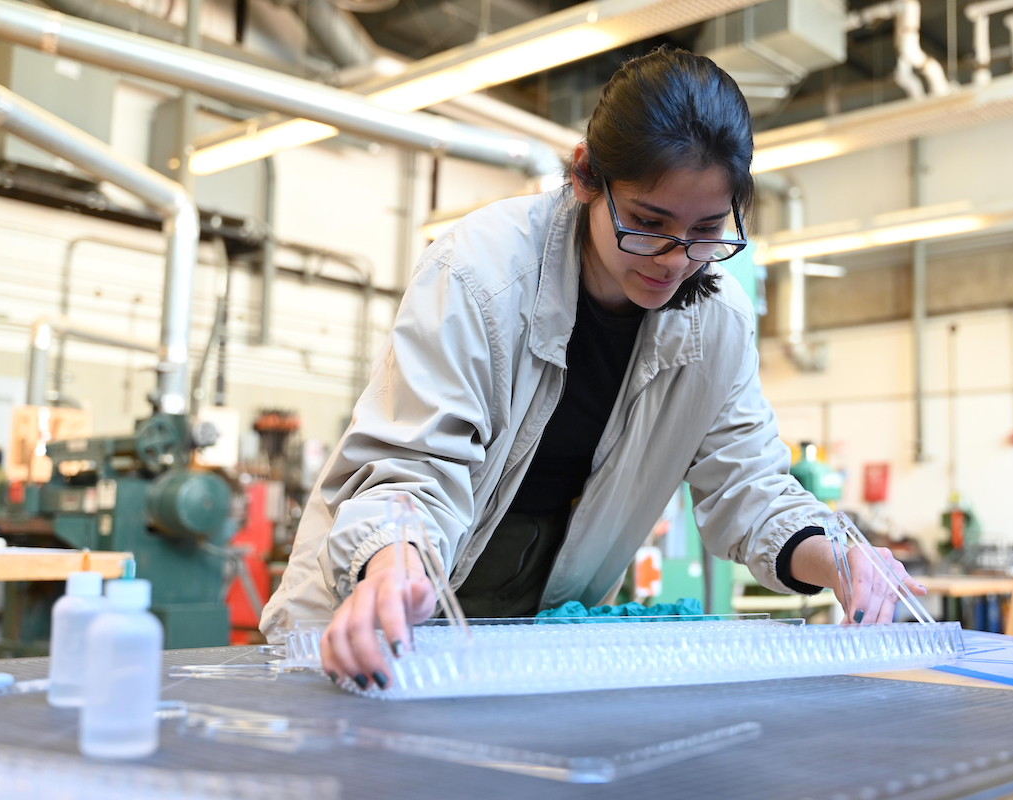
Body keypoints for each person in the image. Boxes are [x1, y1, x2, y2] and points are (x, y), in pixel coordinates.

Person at [260, 47, 926, 691]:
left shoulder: (719, 322)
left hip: (529, 644)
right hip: (369, 618)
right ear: (585, 176)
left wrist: (841, 560)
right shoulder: (480, 272)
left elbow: (749, 487)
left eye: (705, 230)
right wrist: (391, 569)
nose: (673, 258)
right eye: (647, 221)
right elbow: (412, 470)